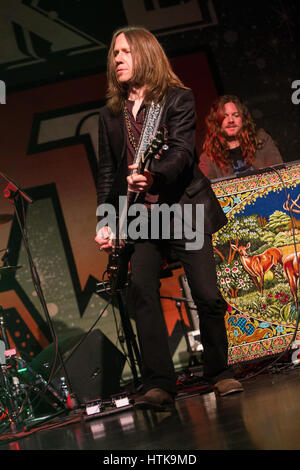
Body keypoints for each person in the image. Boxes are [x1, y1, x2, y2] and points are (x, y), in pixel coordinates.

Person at [95, 27, 243, 412]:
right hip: (142, 216)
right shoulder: (111, 115)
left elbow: (181, 153)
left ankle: (220, 372)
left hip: (184, 208)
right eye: (114, 53)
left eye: (125, 51)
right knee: (141, 292)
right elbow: (108, 175)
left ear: (144, 54)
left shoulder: (176, 98)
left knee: (208, 296)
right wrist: (105, 221)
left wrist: (153, 175)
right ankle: (160, 383)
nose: (118, 59)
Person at [199, 95, 283, 180]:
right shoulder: (208, 158)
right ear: (216, 121)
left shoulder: (261, 140)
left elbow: (279, 173)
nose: (231, 120)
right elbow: (205, 190)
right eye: (225, 116)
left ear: (243, 118)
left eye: (235, 115)